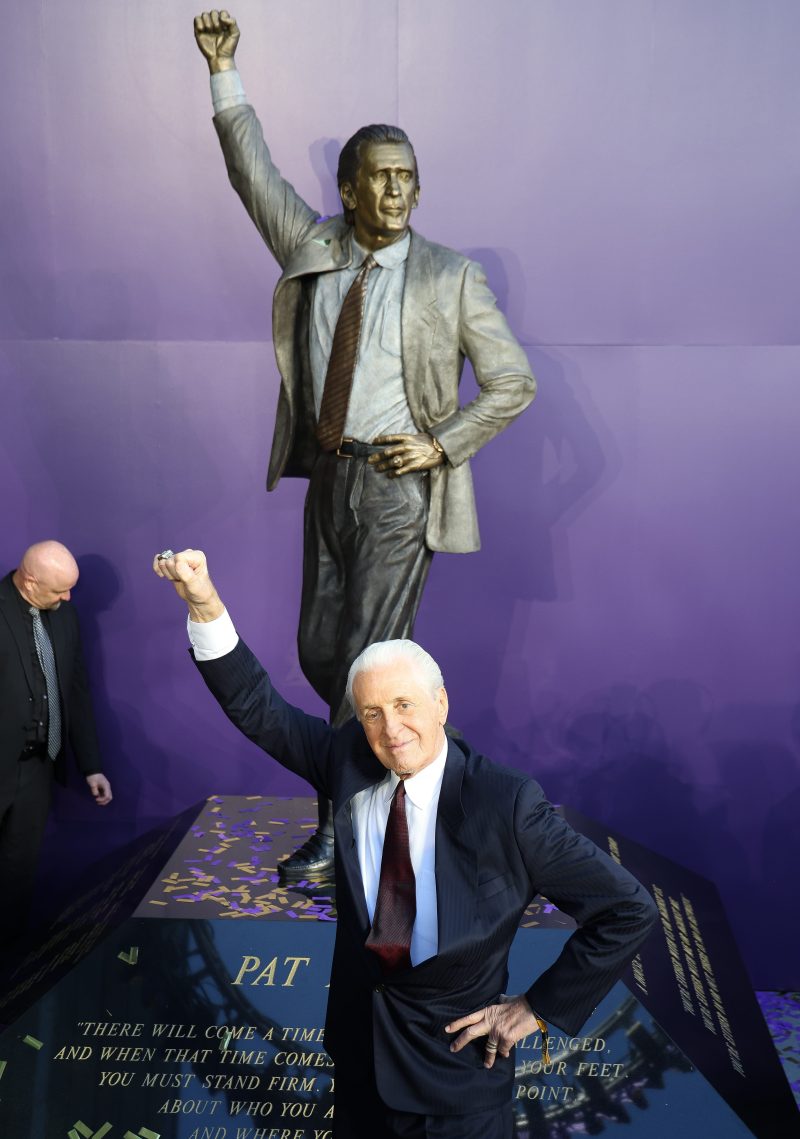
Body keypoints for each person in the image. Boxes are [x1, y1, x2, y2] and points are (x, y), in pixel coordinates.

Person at [193, 10, 537, 877]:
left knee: (365, 661)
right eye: (379, 177)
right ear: (348, 190)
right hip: (329, 479)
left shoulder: (451, 275)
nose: (395, 191)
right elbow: (251, 175)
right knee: (322, 654)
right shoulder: (313, 245)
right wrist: (224, 74)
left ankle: (342, 829)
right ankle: (402, 795)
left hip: (396, 488)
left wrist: (442, 444)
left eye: (406, 177)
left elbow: (513, 382)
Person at [154, 548, 657, 1139]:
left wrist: (539, 1007)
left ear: (441, 703)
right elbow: (256, 707)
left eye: (404, 705)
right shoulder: (346, 761)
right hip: (358, 1067)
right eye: (371, 713)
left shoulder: (506, 802)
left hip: (457, 1085)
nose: (391, 730)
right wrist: (204, 603)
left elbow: (627, 910)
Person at [0, 541, 112, 949]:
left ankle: (7, 964)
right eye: (59, 590)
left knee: (18, 875)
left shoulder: (66, 617)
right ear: (30, 581)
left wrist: (91, 765)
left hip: (36, 769)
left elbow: (76, 693)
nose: (67, 598)